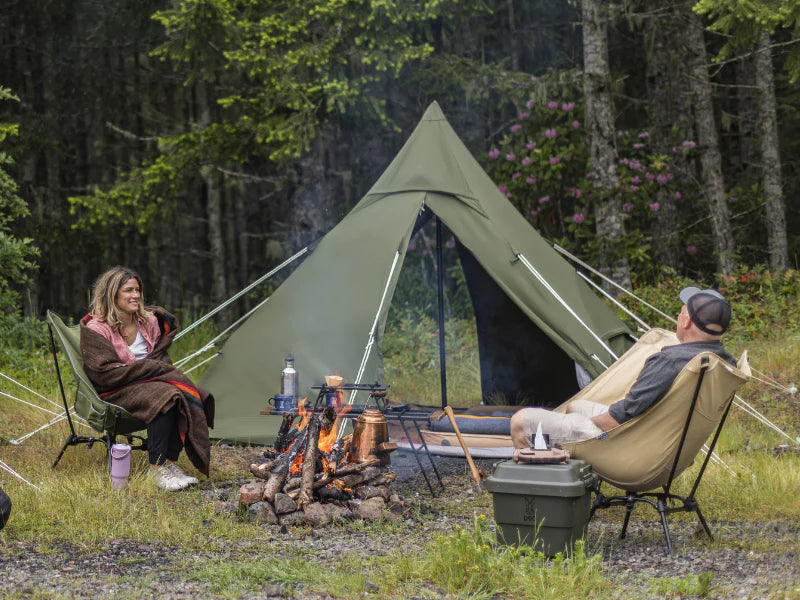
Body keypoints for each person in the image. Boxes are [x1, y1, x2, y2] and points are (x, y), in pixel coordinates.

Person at [510, 286, 736, 448]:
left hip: (631, 448)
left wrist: (587, 424)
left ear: (686, 320)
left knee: (520, 421)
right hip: (664, 446)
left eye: (681, 312)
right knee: (575, 406)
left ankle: (542, 493)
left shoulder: (670, 362)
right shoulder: (723, 362)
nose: (678, 316)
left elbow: (619, 417)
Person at [79, 266, 215, 491]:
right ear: (112, 294)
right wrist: (148, 370)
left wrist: (152, 370)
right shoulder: (97, 328)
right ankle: (156, 470)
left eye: (137, 290)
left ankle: (169, 463)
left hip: (148, 383)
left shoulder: (148, 321)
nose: (135, 295)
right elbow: (103, 372)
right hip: (114, 389)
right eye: (128, 290)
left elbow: (159, 357)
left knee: (189, 394)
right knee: (166, 395)